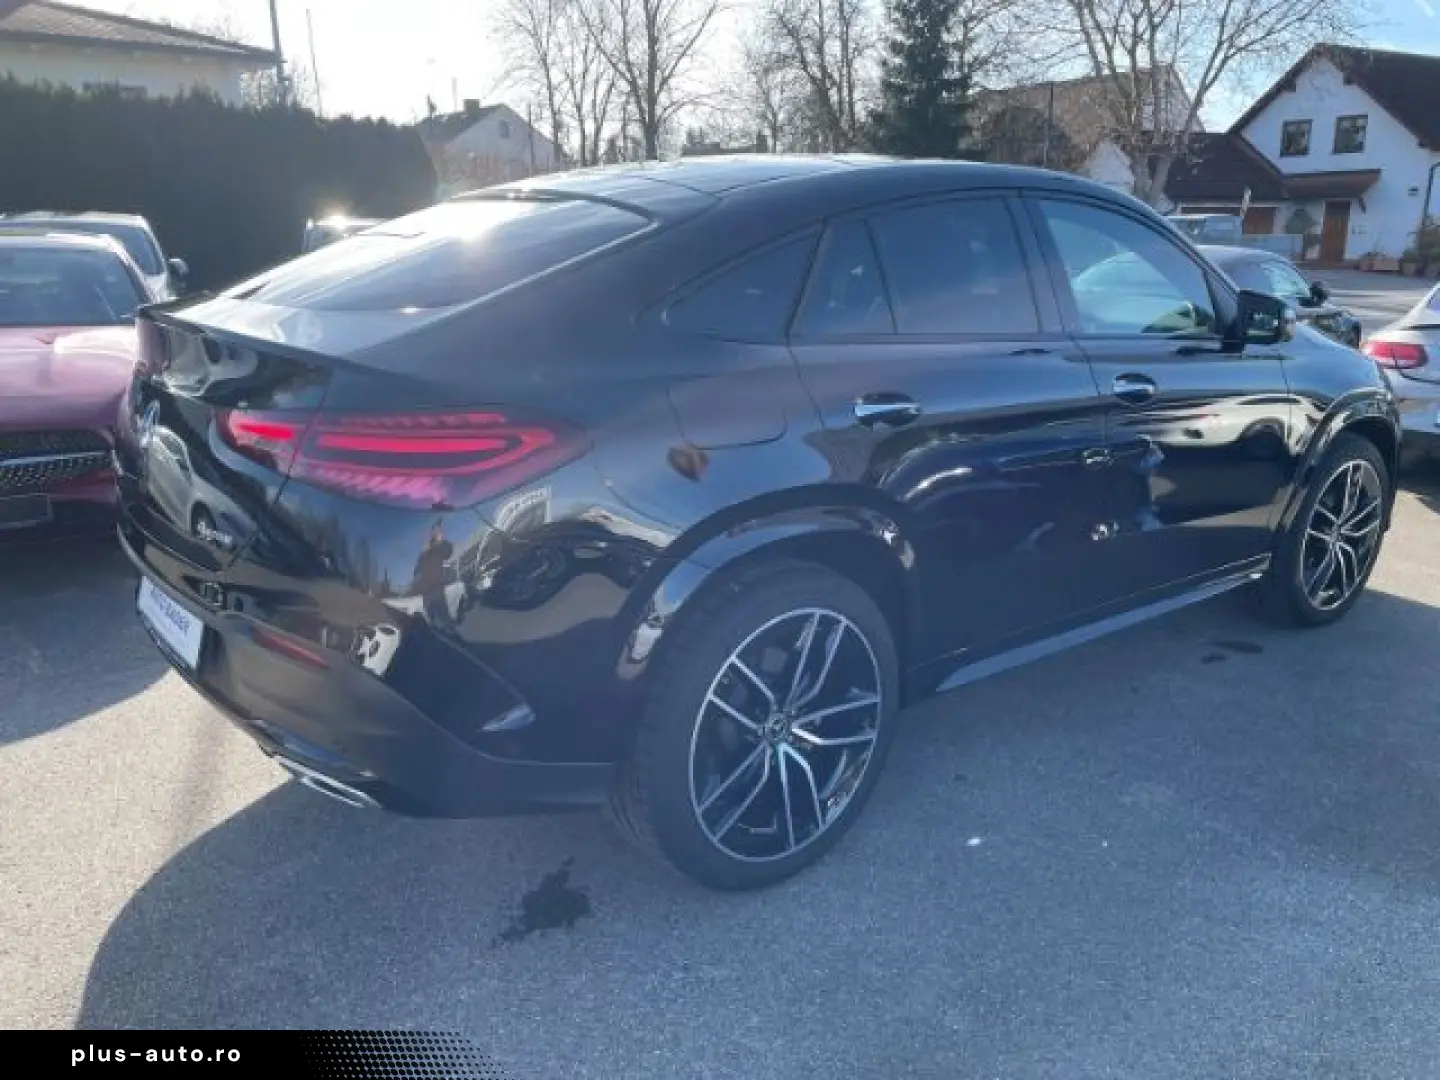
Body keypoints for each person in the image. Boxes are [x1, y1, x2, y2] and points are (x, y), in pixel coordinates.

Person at [411, 520, 456, 630]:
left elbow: (448, 552)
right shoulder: (426, 551)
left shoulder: (441, 546)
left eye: (437, 531)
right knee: (431, 618)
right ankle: (436, 631)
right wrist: (423, 552)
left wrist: (440, 541)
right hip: (426, 590)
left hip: (438, 587)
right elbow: (417, 571)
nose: (435, 533)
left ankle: (450, 631)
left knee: (443, 614)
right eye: (433, 531)